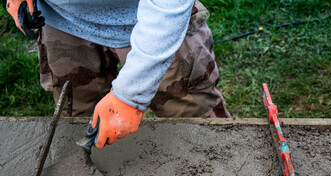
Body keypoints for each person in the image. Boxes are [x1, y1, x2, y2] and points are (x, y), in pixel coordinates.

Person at [6, 0, 232, 148]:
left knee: (203, 135)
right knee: (78, 126)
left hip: (155, 24)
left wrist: (129, 97)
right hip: (62, 21)